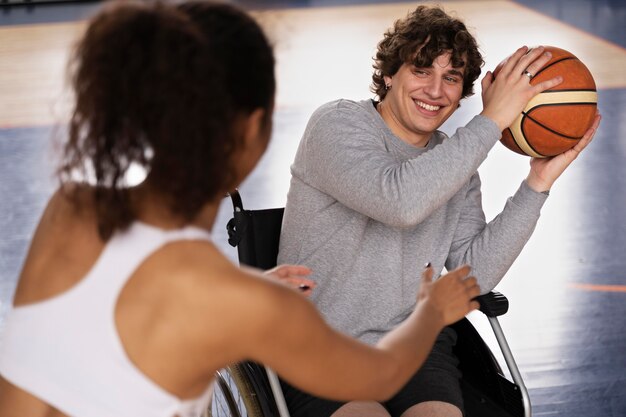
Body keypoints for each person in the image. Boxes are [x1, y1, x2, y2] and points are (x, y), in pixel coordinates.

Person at [0, 2, 482, 417]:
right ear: (254, 130)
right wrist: (431, 312)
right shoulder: (247, 306)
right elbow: (381, 376)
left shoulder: (73, 209)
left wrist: (245, 291)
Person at [277, 5, 601, 417]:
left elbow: (473, 275)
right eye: (421, 70)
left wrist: (537, 184)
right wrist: (491, 120)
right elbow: (401, 202)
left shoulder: (454, 160)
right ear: (389, 74)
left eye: (451, 78)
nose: (435, 90)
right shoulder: (337, 124)